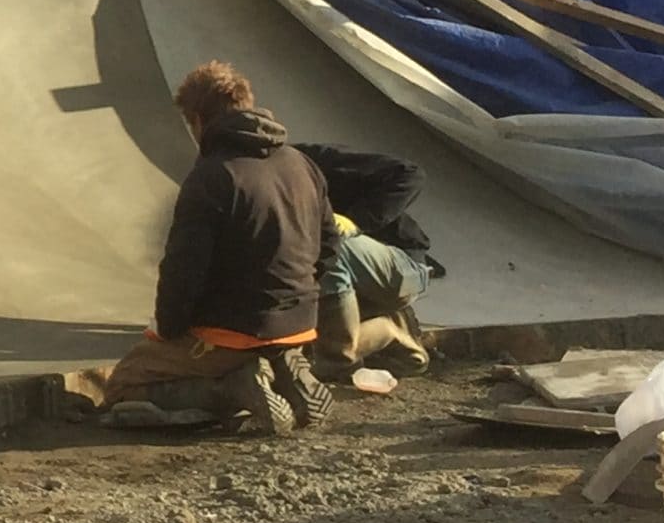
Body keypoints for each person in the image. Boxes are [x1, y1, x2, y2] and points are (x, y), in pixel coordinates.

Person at [99, 61, 337, 436]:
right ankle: (281, 364)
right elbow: (330, 244)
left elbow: (183, 269)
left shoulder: (212, 175)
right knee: (251, 344)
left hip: (231, 331)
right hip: (300, 323)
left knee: (123, 385)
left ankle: (232, 389)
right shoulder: (302, 164)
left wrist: (170, 329)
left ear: (197, 118)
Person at [296, 142, 441, 381]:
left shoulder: (307, 162)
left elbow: (409, 174)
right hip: (351, 281)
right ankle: (390, 332)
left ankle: (337, 363)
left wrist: (355, 221)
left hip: (402, 265)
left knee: (327, 242)